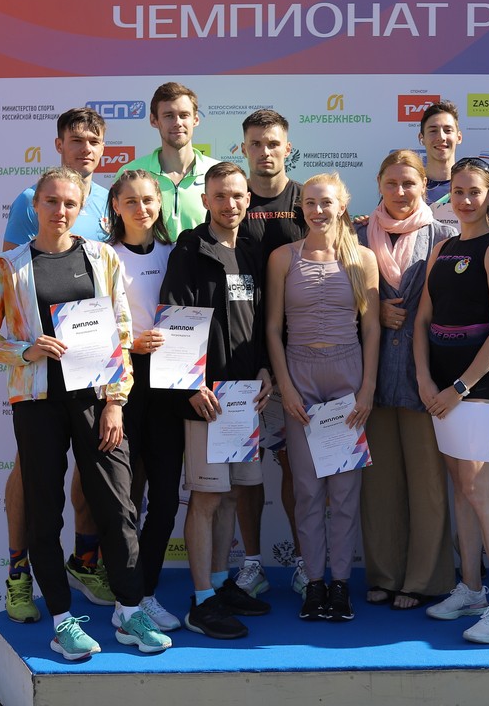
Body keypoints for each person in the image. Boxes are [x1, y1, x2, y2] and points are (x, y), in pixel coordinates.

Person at [0, 168, 171, 659]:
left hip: (95, 400)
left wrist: (116, 402)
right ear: (35, 205)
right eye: (51, 201)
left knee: (118, 507)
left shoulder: (102, 257)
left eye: (69, 204)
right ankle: (63, 620)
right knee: (44, 512)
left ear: (81, 209)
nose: (60, 211)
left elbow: (120, 332)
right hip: (37, 404)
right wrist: (25, 350)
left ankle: (129, 612)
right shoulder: (9, 266)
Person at [0, 108, 115, 624]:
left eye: (93, 141)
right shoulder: (32, 198)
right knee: (31, 474)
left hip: (93, 366)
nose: (85, 149)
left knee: (93, 468)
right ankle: (18, 573)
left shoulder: (108, 200)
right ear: (59, 145)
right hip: (41, 370)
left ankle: (84, 562)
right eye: (76, 140)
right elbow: (13, 283)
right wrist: (31, 347)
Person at [158, 162, 273, 639]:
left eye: (238, 196)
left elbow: (258, 319)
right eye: (220, 196)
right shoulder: (189, 249)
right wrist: (190, 386)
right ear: (205, 200)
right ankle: (201, 600)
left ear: (249, 200)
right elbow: (173, 319)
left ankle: (222, 584)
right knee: (206, 498)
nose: (230, 204)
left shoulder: (250, 250)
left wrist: (264, 366)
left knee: (229, 496)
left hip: (244, 397)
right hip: (205, 397)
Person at [414, 158, 489, 644]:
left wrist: (460, 388)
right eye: (458, 191)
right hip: (439, 388)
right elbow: (423, 321)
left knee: (477, 488)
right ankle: (473, 589)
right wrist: (424, 378)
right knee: (460, 487)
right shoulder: (443, 247)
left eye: (474, 191)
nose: (465, 200)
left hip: (474, 389)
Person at [267, 172, 380, 622]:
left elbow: (372, 328)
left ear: (342, 205)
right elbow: (272, 328)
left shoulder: (362, 258)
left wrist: (367, 388)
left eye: (326, 202)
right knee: (308, 489)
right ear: (301, 207)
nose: (318, 210)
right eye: (310, 203)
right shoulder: (283, 257)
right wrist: (286, 386)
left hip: (347, 375)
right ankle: (314, 584)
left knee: (345, 491)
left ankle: (340, 584)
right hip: (300, 374)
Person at [357, 150, 457, 610]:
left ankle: (424, 579)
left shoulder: (445, 236)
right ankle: (384, 574)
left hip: (424, 379)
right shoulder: (355, 235)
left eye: (409, 183)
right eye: (392, 183)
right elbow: (333, 299)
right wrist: (371, 309)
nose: (400, 192)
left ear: (424, 187)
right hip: (371, 378)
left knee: (428, 484)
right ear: (379, 183)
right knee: (379, 485)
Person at [234, 108, 308, 599]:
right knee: (245, 465)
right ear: (244, 149)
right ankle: (252, 563)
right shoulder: (230, 200)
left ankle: (304, 562)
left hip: (297, 356)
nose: (265, 152)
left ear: (287, 148)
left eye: (273, 143)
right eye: (256, 144)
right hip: (241, 354)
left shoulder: (307, 201)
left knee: (295, 465)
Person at [105, 170, 183, 632]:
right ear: (116, 206)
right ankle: (126, 596)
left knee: (167, 498)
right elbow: (89, 328)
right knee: (122, 500)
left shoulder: (175, 253)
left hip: (169, 384)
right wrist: (131, 343)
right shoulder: (101, 256)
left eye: (148, 200)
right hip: (121, 386)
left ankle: (144, 592)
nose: (141, 209)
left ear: (160, 203)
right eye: (130, 201)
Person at [116, 82, 218, 239]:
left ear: (196, 119)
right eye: (169, 116)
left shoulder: (217, 173)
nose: (178, 123)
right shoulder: (129, 173)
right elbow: (117, 234)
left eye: (184, 115)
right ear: (154, 120)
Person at [418, 101, 489, 234]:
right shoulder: (411, 186)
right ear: (421, 138)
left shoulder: (480, 185)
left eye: (448, 130)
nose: (441, 137)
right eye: (433, 131)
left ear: (458, 137)